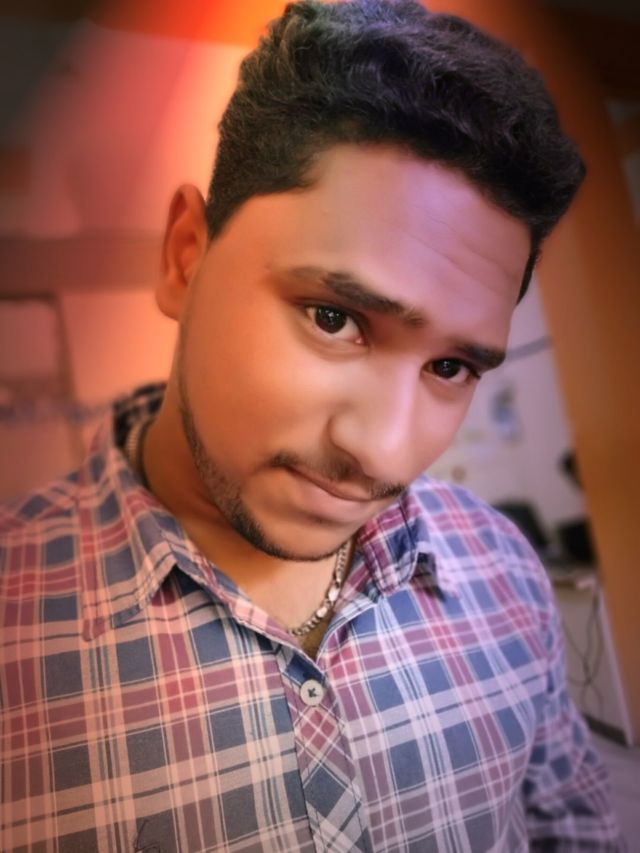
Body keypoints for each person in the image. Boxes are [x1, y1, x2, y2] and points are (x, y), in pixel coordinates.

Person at [0, 1, 624, 850]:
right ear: (185, 257)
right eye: (334, 318)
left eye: (451, 367)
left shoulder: (506, 572)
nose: (383, 450)